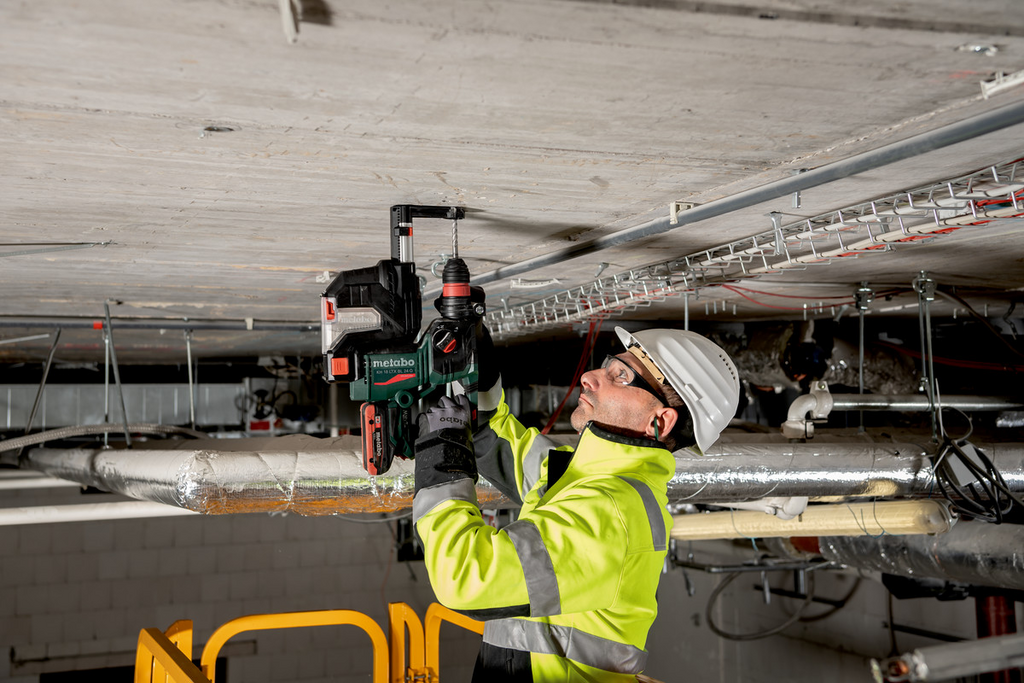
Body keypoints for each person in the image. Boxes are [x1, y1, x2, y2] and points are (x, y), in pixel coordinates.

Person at [412, 326, 740, 682]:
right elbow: (494, 439)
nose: (588, 377)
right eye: (607, 365)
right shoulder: (583, 476)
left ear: (658, 421)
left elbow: (466, 579)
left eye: (621, 376)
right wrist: (480, 372)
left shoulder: (612, 514)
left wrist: (441, 464)